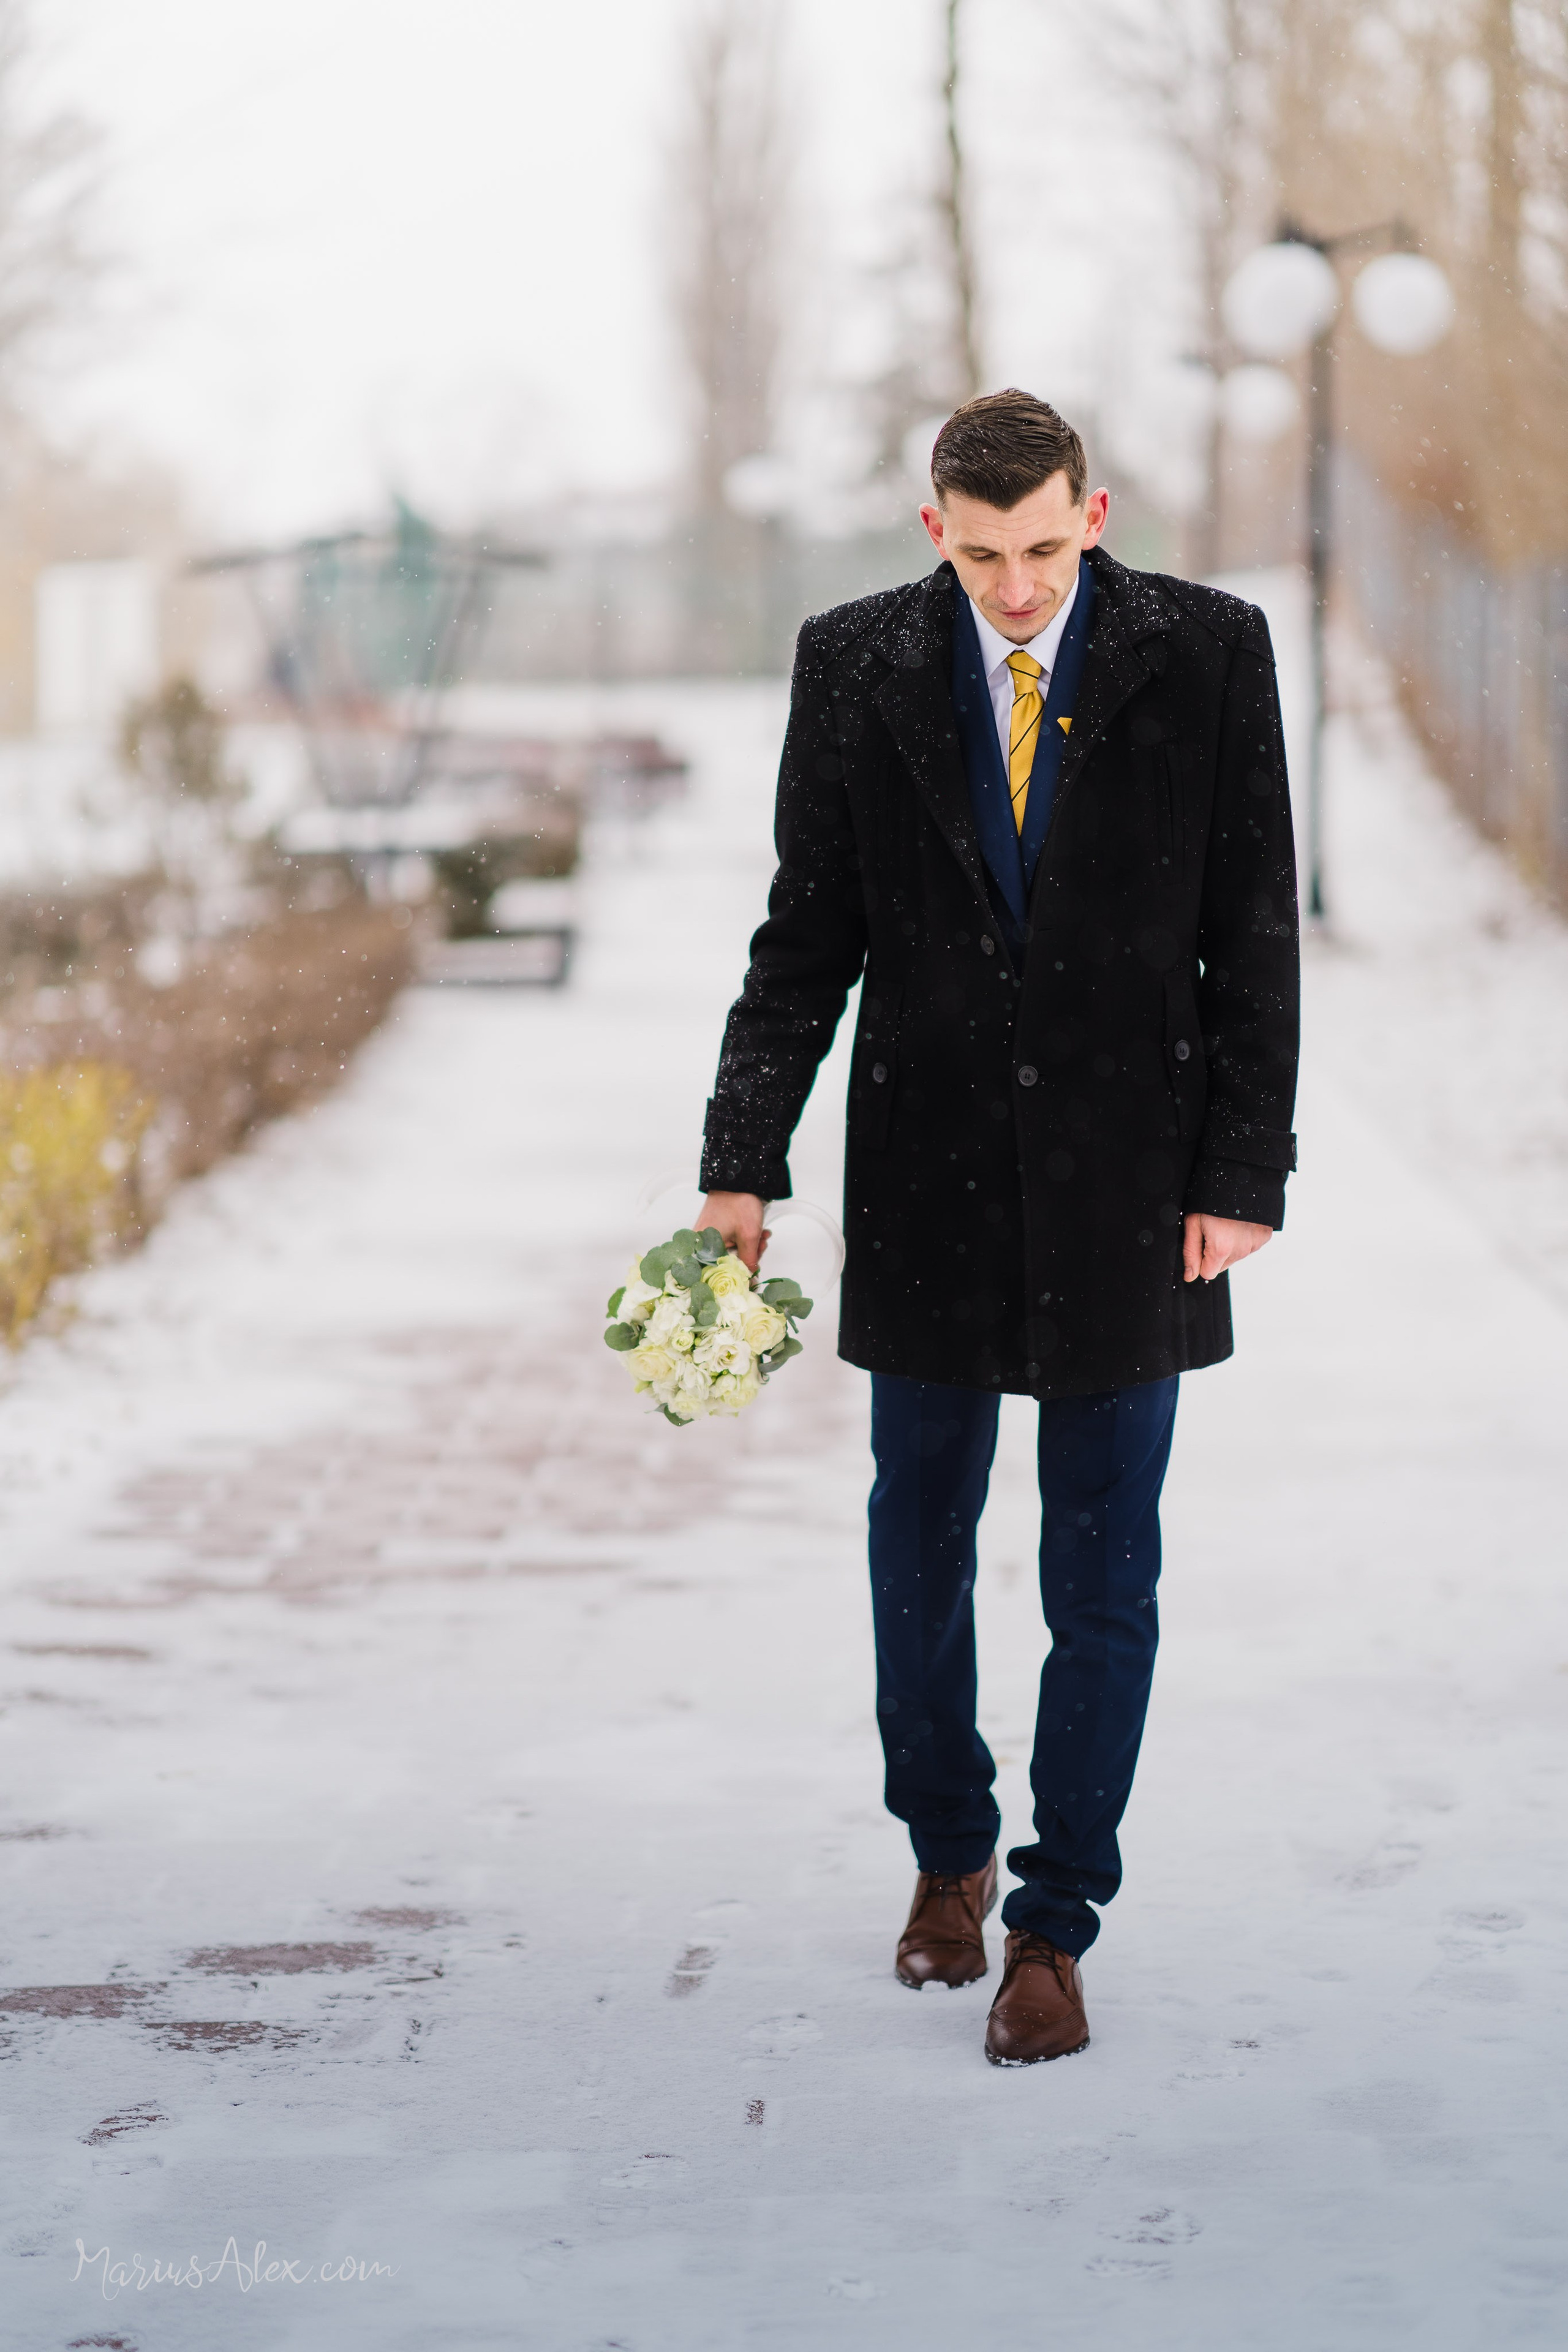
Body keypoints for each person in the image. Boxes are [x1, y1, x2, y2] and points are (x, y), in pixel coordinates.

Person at [698, 389, 1300, 2065]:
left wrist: (1243, 1172)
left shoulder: (1212, 652)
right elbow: (804, 935)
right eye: (983, 556)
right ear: (932, 532)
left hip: (1137, 1185)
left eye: (1043, 548)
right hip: (928, 1174)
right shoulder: (854, 664)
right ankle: (946, 1855)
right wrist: (743, 1158)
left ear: (1092, 516)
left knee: (1106, 1571)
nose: (1018, 586)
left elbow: (1253, 928)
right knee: (919, 1539)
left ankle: (1056, 1922)